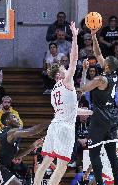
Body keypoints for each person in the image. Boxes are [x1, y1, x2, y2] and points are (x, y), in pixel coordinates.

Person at [33, 22, 90, 185]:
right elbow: (74, 59)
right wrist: (74, 36)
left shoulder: (54, 90)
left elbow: (71, 110)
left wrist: (90, 112)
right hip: (65, 127)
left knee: (45, 163)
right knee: (62, 165)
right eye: (64, 68)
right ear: (60, 73)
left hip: (55, 125)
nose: (67, 68)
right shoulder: (66, 81)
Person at [80, 27, 118, 185]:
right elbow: (98, 54)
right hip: (113, 116)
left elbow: (83, 88)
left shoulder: (101, 79)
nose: (103, 59)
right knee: (112, 154)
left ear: (107, 66)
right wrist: (93, 36)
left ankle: (99, 183)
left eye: (106, 60)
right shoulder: (114, 74)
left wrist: (84, 71)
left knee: (94, 154)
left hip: (101, 117)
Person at [0, 112, 49, 185]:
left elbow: (16, 156)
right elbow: (32, 131)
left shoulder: (8, 136)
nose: (18, 119)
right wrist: (52, 122)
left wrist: (32, 146)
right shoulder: (11, 132)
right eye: (14, 117)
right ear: (8, 121)